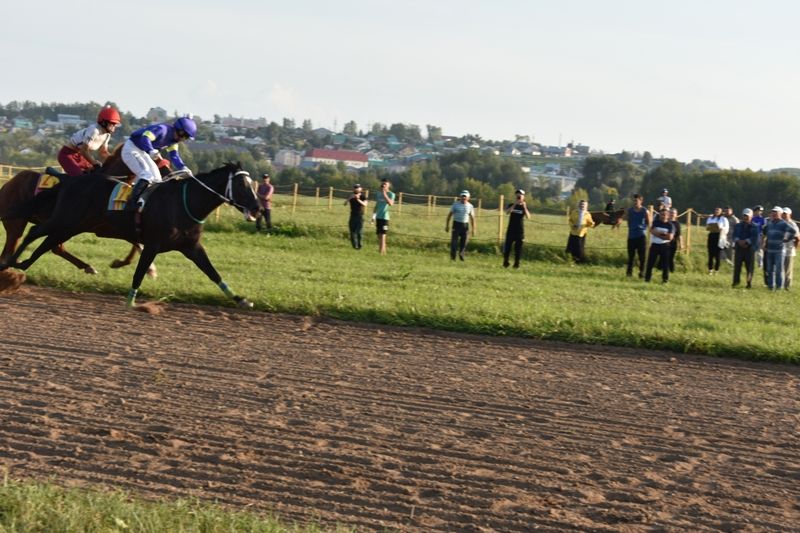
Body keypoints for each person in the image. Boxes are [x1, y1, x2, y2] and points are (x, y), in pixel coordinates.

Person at [122, 117, 197, 211]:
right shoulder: (162, 130)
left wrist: (183, 167)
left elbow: (174, 156)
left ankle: (144, 202)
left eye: (186, 138)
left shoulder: (173, 142)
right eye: (185, 136)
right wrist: (151, 150)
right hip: (131, 148)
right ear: (180, 131)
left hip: (142, 152)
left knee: (158, 180)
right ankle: (131, 205)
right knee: (147, 175)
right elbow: (145, 137)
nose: (184, 139)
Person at [57, 105, 121, 176]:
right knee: (80, 178)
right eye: (112, 123)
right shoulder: (94, 130)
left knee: (96, 175)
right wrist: (94, 163)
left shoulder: (107, 135)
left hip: (81, 156)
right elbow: (84, 150)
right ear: (103, 122)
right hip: (67, 155)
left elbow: (103, 152)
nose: (114, 127)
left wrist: (116, 161)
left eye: (115, 124)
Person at [762, 206, 797, 290]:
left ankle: (779, 286)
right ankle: (771, 286)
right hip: (770, 249)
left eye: (776, 212)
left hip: (779, 250)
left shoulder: (783, 223)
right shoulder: (769, 223)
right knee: (770, 269)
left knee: (778, 269)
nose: (774, 213)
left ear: (780, 214)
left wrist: (786, 239)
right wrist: (763, 244)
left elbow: (793, 231)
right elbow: (764, 232)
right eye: (773, 212)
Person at [644, 207, 674, 283]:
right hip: (654, 245)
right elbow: (651, 231)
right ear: (659, 215)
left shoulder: (670, 225)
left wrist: (657, 234)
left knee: (665, 264)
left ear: (668, 215)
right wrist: (663, 235)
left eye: (665, 214)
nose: (663, 216)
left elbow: (670, 237)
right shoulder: (655, 222)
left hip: (665, 246)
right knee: (650, 263)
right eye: (661, 214)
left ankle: (665, 280)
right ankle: (647, 279)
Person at [731, 208, 760, 288]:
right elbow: (734, 235)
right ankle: (736, 282)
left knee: (749, 267)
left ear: (751, 216)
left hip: (749, 249)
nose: (745, 217)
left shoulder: (755, 226)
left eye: (747, 216)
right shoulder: (738, 225)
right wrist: (738, 241)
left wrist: (747, 241)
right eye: (744, 215)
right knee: (737, 266)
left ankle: (749, 283)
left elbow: (755, 237)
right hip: (739, 248)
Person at [445, 190, 476, 261]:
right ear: (460, 197)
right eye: (462, 196)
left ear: (468, 198)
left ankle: (461, 256)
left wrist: (474, 229)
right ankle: (453, 258)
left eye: (465, 196)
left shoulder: (470, 206)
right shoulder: (455, 205)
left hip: (465, 226)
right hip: (456, 225)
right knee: (454, 243)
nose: (464, 198)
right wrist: (447, 226)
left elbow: (472, 218)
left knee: (464, 243)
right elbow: (449, 215)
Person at [502, 189, 530, 268]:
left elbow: (528, 216)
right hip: (511, 230)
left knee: (518, 249)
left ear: (523, 197)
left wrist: (524, 207)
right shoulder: (511, 204)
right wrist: (514, 204)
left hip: (520, 231)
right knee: (507, 247)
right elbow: (507, 212)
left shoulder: (524, 206)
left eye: (520, 195)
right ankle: (506, 261)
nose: (518, 196)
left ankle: (516, 264)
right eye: (517, 195)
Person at [625, 193, 651, 277]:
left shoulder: (645, 211)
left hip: (641, 236)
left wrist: (642, 228)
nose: (635, 202)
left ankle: (642, 272)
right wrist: (633, 228)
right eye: (634, 200)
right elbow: (629, 222)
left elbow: (649, 222)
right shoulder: (630, 211)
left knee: (642, 257)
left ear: (641, 201)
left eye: (636, 200)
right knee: (631, 257)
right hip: (631, 236)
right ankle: (629, 273)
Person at [372, 178, 395, 255]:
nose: (383, 185)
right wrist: (373, 216)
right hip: (378, 217)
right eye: (382, 184)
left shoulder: (391, 194)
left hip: (385, 217)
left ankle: (380, 253)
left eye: (385, 184)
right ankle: (383, 251)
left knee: (383, 235)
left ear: (389, 185)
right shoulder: (378, 194)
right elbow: (377, 205)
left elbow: (391, 203)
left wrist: (384, 193)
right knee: (379, 235)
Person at [705, 206, 729, 274]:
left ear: (721, 211)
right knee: (710, 254)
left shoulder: (723, 219)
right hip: (712, 235)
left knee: (717, 254)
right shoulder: (711, 218)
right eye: (716, 210)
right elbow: (707, 226)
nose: (716, 212)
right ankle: (710, 269)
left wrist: (720, 228)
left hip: (719, 236)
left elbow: (726, 228)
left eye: (718, 210)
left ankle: (716, 270)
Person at [781, 207, 799, 290]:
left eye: (785, 213)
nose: (784, 215)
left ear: (789, 214)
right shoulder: (780, 223)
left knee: (787, 269)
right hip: (780, 249)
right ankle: (780, 284)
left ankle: (787, 286)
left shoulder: (793, 224)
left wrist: (795, 247)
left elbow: (797, 237)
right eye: (783, 213)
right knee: (780, 268)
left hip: (789, 249)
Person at [345, 183, 367, 249]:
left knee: (359, 232)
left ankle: (359, 244)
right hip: (352, 216)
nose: (356, 189)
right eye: (355, 187)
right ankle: (354, 246)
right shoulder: (351, 195)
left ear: (361, 189)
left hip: (360, 216)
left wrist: (358, 199)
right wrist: (349, 199)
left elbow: (365, 204)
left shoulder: (363, 196)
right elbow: (345, 203)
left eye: (357, 187)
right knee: (352, 232)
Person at [668, 207, 682, 273]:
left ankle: (672, 271)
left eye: (674, 213)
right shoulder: (666, 222)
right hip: (664, 243)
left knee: (671, 258)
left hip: (673, 244)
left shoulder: (677, 224)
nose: (672, 214)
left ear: (676, 214)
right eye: (671, 213)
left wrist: (681, 244)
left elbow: (679, 235)